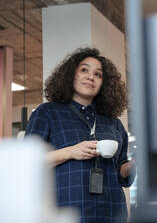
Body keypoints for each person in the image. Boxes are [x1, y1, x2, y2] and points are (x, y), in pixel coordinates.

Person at [25, 47, 135, 223]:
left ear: (104, 84)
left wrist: (134, 165)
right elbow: (28, 161)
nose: (91, 77)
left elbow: (121, 175)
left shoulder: (113, 122)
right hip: (67, 211)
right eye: (84, 70)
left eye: (98, 74)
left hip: (113, 211)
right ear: (71, 75)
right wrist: (70, 152)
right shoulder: (47, 113)